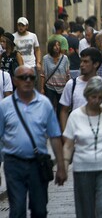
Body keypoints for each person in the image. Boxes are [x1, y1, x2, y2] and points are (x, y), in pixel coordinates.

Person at [0, 65, 68, 217]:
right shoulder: (5, 106)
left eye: (31, 77)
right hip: (13, 164)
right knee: (17, 210)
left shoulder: (44, 104)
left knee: (39, 210)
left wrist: (62, 166)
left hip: (37, 164)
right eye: (23, 77)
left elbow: (55, 136)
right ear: (15, 81)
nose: (28, 80)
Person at [62, 76, 102, 217]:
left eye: (100, 97)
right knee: (85, 212)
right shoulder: (75, 116)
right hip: (83, 168)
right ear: (87, 95)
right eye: (93, 97)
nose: (96, 101)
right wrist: (63, 167)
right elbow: (69, 145)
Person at [59, 47, 102, 132]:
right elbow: (64, 111)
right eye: (81, 61)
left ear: (96, 64)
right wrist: (65, 134)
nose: (81, 65)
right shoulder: (72, 84)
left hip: (99, 135)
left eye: (86, 62)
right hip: (77, 135)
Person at [41, 39, 70, 116]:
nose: (57, 47)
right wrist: (42, 88)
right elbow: (43, 74)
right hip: (50, 86)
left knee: (60, 109)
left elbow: (67, 73)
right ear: (51, 47)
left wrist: (68, 87)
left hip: (62, 87)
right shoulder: (46, 58)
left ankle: (59, 125)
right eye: (55, 45)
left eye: (58, 45)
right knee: (49, 107)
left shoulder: (65, 58)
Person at [13, 17, 41, 89]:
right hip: (19, 65)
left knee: (33, 85)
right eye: (19, 25)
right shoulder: (14, 36)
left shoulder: (33, 36)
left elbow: (37, 50)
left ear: (27, 26)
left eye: (23, 25)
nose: (21, 27)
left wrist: (38, 62)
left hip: (31, 64)